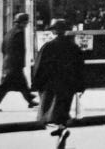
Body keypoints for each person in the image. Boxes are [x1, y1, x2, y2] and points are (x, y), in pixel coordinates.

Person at [32, 19, 85, 149]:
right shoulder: (74, 47)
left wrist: (36, 83)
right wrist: (81, 85)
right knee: (63, 108)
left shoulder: (48, 46)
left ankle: (59, 130)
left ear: (54, 31)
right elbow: (80, 68)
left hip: (51, 84)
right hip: (68, 84)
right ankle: (62, 129)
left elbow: (39, 67)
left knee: (48, 110)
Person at [0, 13, 38, 112]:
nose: (27, 25)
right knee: (4, 86)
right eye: (26, 23)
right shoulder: (19, 33)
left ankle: (30, 101)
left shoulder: (10, 32)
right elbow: (19, 50)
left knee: (22, 83)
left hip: (9, 62)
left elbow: (3, 48)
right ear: (22, 23)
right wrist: (18, 62)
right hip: (14, 64)